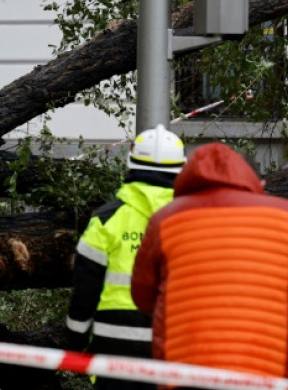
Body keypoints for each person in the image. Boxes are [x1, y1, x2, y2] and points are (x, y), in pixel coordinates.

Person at [131, 143, 288, 380]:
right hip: (271, 365)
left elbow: (142, 296)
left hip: (187, 368)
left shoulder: (164, 220)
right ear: (259, 183)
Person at [64, 124, 186, 390]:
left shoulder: (106, 219)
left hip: (115, 349)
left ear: (131, 165)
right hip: (174, 345)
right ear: (180, 170)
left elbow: (85, 288)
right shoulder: (192, 222)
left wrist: (75, 340)